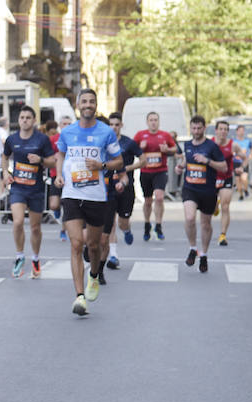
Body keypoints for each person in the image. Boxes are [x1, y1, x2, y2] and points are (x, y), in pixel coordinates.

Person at [54, 89, 124, 315]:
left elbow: (118, 161)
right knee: (76, 244)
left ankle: (94, 275)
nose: (87, 105)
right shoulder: (68, 132)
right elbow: (60, 154)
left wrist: (101, 166)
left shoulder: (106, 132)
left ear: (96, 105)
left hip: (96, 196)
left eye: (91, 101)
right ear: (78, 105)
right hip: (71, 194)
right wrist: (59, 174)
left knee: (93, 245)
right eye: (84, 101)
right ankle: (79, 296)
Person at [0, 105, 56, 278]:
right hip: (18, 187)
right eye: (22, 117)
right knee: (17, 222)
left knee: (35, 227)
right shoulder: (12, 139)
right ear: (18, 120)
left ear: (34, 120)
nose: (24, 120)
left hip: (36, 189)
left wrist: (40, 160)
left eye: (28, 118)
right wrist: (5, 173)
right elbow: (4, 156)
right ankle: (19, 256)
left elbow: (52, 161)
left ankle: (36, 258)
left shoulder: (42, 139)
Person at [176, 115, 227, 273]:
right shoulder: (187, 144)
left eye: (199, 128)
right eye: (194, 128)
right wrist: (181, 166)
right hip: (190, 188)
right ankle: (193, 248)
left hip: (208, 191)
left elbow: (224, 167)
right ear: (190, 128)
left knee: (205, 224)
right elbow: (188, 160)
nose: (196, 131)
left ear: (204, 128)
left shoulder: (212, 146)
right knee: (190, 218)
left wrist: (208, 161)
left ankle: (204, 254)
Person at [102, 112, 141, 269]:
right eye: (111, 125)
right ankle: (113, 255)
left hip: (126, 187)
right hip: (109, 187)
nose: (114, 128)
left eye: (116, 125)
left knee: (122, 223)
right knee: (110, 222)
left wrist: (127, 168)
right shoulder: (104, 143)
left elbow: (144, 160)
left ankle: (126, 230)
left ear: (121, 125)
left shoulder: (129, 143)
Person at [134, 112, 179, 241]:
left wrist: (167, 150)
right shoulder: (140, 135)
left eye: (155, 120)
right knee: (148, 201)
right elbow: (132, 149)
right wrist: (140, 148)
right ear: (147, 122)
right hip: (146, 171)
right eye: (151, 120)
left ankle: (158, 225)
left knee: (159, 197)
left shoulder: (165, 135)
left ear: (158, 122)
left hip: (160, 171)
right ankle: (147, 223)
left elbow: (175, 149)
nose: (153, 122)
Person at [214, 120, 240, 246]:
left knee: (225, 206)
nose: (223, 131)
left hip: (226, 178)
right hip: (212, 178)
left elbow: (244, 157)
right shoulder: (210, 143)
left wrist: (241, 167)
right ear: (216, 131)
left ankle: (222, 235)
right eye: (221, 129)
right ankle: (215, 205)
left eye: (225, 129)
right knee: (211, 207)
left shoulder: (233, 145)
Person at [234, 125, 252, 200]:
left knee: (244, 178)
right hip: (235, 162)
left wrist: (251, 155)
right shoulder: (233, 141)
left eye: (243, 131)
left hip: (244, 162)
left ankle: (245, 190)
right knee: (237, 179)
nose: (241, 132)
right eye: (240, 130)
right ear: (237, 132)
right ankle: (241, 195)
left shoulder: (247, 141)